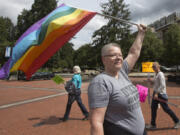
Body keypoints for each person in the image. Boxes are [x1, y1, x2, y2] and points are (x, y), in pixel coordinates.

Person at [88, 24, 147, 135]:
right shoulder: (101, 82)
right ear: (103, 59)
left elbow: (134, 53)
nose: (119, 58)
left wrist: (141, 33)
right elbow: (96, 122)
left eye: (120, 55)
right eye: (113, 55)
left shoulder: (122, 71)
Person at [146, 62, 180, 129]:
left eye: (154, 66)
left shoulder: (160, 74)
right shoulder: (155, 74)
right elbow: (156, 84)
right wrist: (151, 81)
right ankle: (153, 125)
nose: (153, 68)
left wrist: (156, 93)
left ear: (158, 67)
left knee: (166, 109)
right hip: (155, 93)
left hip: (161, 94)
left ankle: (177, 121)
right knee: (153, 108)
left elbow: (162, 85)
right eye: (152, 67)